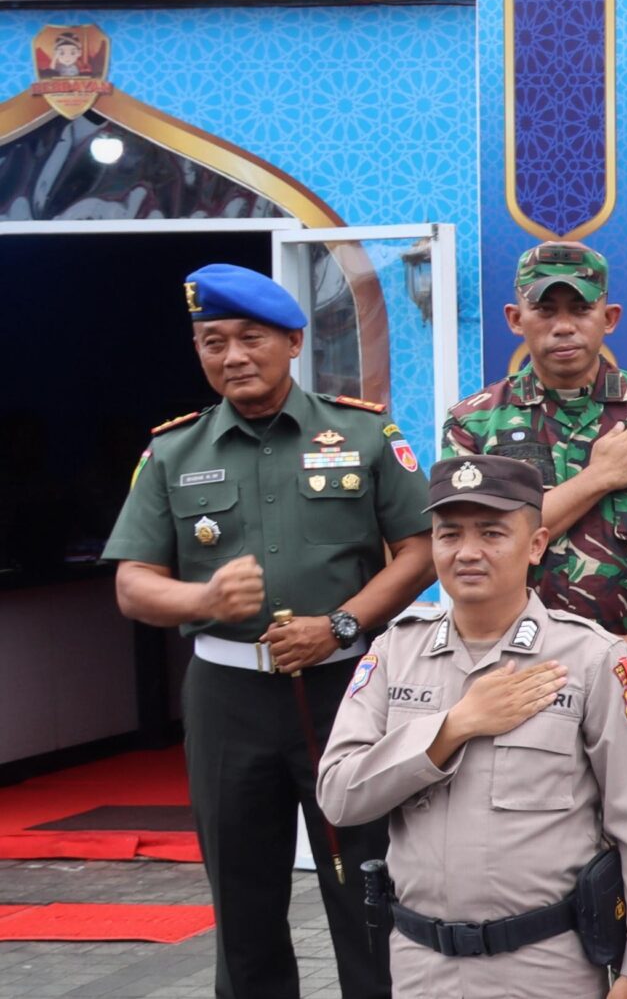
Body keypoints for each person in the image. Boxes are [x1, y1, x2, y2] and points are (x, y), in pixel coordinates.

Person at [105, 263, 433, 999]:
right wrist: (204, 598)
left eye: (251, 338)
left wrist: (341, 624)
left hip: (346, 690)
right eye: (213, 341)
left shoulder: (363, 433)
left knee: (368, 884)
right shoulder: (173, 452)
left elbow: (421, 550)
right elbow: (132, 584)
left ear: (293, 341)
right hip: (228, 699)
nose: (233, 356)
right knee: (244, 900)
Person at [315, 455, 627, 998]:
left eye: (491, 533)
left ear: (536, 544)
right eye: (449, 534)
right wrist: (452, 728)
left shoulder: (589, 658)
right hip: (422, 968)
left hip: (545, 966)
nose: (467, 552)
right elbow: (339, 796)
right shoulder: (395, 651)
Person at [443, 241, 627, 850]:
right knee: (530, 851)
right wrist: (599, 477)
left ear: (607, 318)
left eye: (580, 309)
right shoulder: (476, 424)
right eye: (545, 309)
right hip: (520, 679)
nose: (564, 326)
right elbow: (481, 547)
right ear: (516, 319)